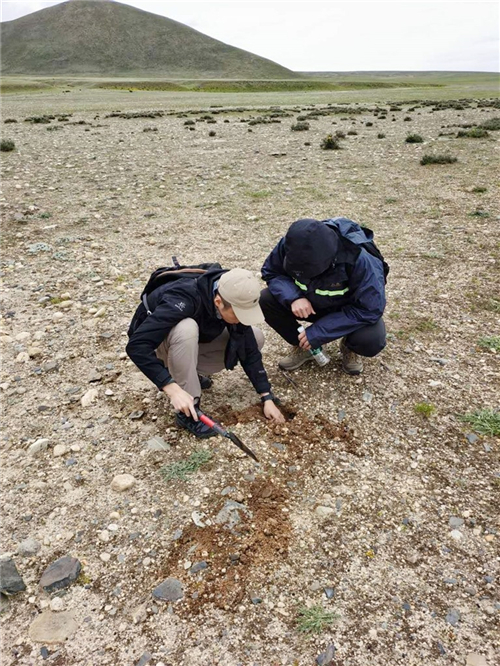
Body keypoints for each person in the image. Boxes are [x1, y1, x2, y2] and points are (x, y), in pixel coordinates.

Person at [126, 266, 284, 438]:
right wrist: (172, 389)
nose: (241, 319)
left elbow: (250, 348)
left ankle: (190, 376)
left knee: (256, 336)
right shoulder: (182, 298)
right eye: (238, 314)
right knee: (186, 328)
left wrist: (266, 396)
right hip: (161, 351)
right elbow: (137, 346)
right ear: (218, 302)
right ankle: (188, 412)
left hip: (189, 347)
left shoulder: (233, 292)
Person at [260, 217, 387, 375]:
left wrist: (319, 331)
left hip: (345, 312)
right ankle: (305, 347)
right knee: (266, 299)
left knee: (370, 340)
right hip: (311, 306)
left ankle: (349, 346)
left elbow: (370, 309)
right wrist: (294, 297)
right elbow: (271, 271)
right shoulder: (292, 244)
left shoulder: (359, 258)